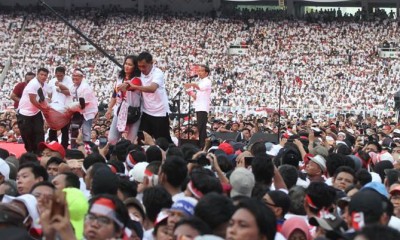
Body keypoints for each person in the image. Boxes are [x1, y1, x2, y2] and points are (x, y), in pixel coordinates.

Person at [129, 52, 172, 143]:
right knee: (142, 139)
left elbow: (152, 88)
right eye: (139, 66)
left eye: (144, 66)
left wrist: (135, 87)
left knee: (163, 141)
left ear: (151, 63)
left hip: (160, 112)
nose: (141, 69)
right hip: (146, 111)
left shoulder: (157, 73)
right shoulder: (139, 72)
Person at [105, 55, 142, 144]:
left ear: (135, 67)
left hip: (133, 113)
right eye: (126, 64)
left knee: (130, 140)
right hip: (120, 110)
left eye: (130, 65)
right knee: (112, 139)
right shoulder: (120, 78)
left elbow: (131, 86)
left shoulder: (137, 79)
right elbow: (115, 94)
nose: (127, 66)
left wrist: (126, 86)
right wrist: (109, 108)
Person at [16, 68, 49, 154]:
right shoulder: (33, 84)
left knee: (39, 132)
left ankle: (40, 151)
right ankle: (30, 151)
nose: (43, 77)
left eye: (45, 75)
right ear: (37, 74)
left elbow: (43, 99)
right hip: (25, 112)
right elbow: (32, 100)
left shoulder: (45, 85)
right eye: (41, 74)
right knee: (27, 133)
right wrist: (43, 109)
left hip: (36, 111)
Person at [184, 64, 212, 148]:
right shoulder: (201, 81)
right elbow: (196, 96)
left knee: (202, 127)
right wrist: (189, 91)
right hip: (199, 106)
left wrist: (191, 84)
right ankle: (202, 144)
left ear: (206, 73)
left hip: (203, 107)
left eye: (201, 71)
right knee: (200, 126)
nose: (199, 72)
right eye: (198, 71)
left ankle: (203, 145)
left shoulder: (207, 81)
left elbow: (200, 88)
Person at [69, 69, 98, 148]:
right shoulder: (73, 86)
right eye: (73, 76)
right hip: (78, 110)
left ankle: (86, 148)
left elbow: (85, 103)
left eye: (77, 76)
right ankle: (73, 148)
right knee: (74, 128)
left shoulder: (85, 87)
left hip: (87, 111)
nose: (75, 77)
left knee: (86, 131)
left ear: (82, 77)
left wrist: (71, 107)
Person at [47, 67, 73, 149]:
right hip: (54, 107)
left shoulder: (69, 80)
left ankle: (64, 146)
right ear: (55, 74)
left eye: (61, 75)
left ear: (64, 74)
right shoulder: (51, 81)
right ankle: (53, 144)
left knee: (65, 128)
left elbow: (70, 92)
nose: (59, 77)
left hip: (65, 107)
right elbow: (49, 93)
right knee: (52, 127)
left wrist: (61, 89)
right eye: (58, 75)